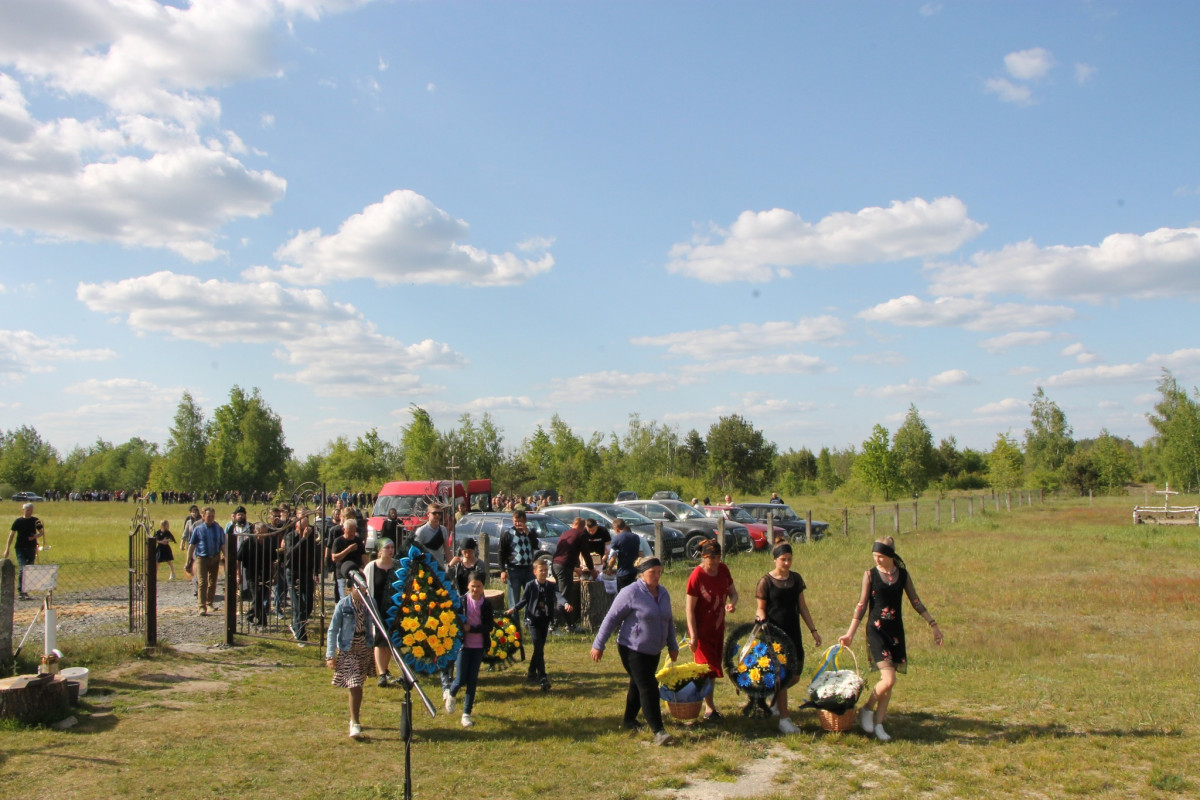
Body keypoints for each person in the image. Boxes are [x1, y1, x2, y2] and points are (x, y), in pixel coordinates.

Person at [838, 537, 943, 742]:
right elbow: (861, 605)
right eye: (875, 556)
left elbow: (916, 601)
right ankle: (866, 710)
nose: (877, 560)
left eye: (881, 556)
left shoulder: (902, 575)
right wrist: (850, 634)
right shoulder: (870, 575)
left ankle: (879, 724)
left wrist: (933, 625)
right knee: (889, 679)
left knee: (888, 684)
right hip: (875, 631)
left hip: (895, 632)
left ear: (890, 557)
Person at [590, 557, 679, 746]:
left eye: (659, 572)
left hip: (654, 649)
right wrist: (599, 644)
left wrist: (673, 645)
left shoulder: (663, 593)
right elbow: (611, 618)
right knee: (648, 686)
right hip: (632, 648)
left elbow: (668, 620)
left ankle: (629, 720)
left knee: (637, 685)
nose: (657, 576)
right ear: (642, 573)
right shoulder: (630, 592)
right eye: (652, 572)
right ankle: (659, 731)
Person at [755, 542, 821, 735]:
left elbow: (803, 607)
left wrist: (813, 630)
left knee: (795, 675)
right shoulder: (766, 581)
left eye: (789, 559)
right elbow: (761, 606)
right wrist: (760, 616)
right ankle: (784, 720)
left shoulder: (796, 579)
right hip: (774, 635)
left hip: (793, 632)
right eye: (783, 559)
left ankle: (773, 699)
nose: (787, 563)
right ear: (775, 559)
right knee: (781, 677)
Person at [685, 539, 738, 721]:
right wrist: (693, 635)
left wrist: (732, 604)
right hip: (701, 632)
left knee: (712, 671)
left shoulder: (723, 570)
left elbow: (733, 592)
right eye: (711, 558)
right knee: (705, 669)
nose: (715, 561)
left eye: (717, 557)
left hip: (717, 627)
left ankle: (707, 706)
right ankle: (705, 707)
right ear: (703, 556)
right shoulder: (696, 576)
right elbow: (689, 609)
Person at [325, 570, 376, 739]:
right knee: (354, 685)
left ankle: (355, 716)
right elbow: (333, 630)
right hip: (348, 649)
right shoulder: (343, 605)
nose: (362, 591)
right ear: (350, 589)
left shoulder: (370, 603)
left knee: (359, 685)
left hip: (365, 647)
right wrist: (330, 655)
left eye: (364, 587)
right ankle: (355, 723)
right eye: (358, 588)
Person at [444, 575, 494, 728]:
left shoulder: (486, 604)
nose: (475, 589)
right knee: (460, 679)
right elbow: (454, 621)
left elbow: (488, 626)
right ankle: (451, 693)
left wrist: (472, 629)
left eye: (478, 586)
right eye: (473, 586)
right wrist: (462, 629)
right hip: (462, 646)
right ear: (468, 586)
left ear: (483, 587)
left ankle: (466, 714)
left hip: (478, 646)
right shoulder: (461, 601)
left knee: (472, 681)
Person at [506, 557, 563, 690]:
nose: (543, 573)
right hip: (532, 620)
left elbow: (558, 595)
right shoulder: (530, 585)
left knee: (539, 648)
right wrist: (514, 608)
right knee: (538, 647)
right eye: (541, 570)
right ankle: (542, 677)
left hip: (545, 620)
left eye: (545, 570)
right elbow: (524, 600)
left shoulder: (550, 585)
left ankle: (531, 672)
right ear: (535, 572)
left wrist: (565, 603)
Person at [363, 538, 399, 686]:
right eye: (387, 548)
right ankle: (382, 673)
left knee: (388, 641)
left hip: (392, 609)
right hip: (376, 609)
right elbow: (365, 589)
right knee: (379, 641)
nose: (390, 550)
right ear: (379, 551)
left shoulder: (397, 566)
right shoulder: (371, 567)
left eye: (392, 547)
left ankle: (385, 669)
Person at [551, 517, 595, 630]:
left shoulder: (565, 533)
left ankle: (570, 624)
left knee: (567, 596)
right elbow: (586, 554)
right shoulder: (580, 535)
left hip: (555, 564)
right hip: (564, 567)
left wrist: (574, 568)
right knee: (563, 596)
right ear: (582, 527)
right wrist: (592, 570)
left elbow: (566, 552)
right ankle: (553, 625)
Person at [283, 512, 320, 644]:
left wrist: (316, 572)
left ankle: (296, 625)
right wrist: (303, 539)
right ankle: (301, 636)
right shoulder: (289, 537)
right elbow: (289, 556)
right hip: (293, 573)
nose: (306, 530)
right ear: (296, 528)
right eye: (303, 528)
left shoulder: (311, 537)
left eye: (307, 528)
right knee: (298, 605)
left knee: (308, 605)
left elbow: (314, 554)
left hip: (306, 572)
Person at [187, 507, 226, 616]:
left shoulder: (219, 529)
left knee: (213, 582)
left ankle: (209, 603)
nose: (211, 518)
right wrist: (188, 560)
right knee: (202, 582)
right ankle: (201, 606)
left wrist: (226, 557)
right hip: (202, 558)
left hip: (215, 558)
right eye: (208, 516)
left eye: (212, 516)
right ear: (203, 516)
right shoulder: (198, 529)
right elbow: (192, 545)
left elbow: (223, 545)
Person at [3, 503, 45, 601]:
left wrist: (35, 537)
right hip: (20, 548)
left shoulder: (35, 520)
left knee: (29, 569)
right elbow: (11, 535)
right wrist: (7, 549)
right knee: (23, 568)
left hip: (31, 547)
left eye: (31, 510)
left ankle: (26, 591)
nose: (30, 512)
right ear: (23, 510)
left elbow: (42, 532)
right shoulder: (18, 521)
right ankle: (20, 591)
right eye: (28, 510)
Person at [498, 509, 539, 609]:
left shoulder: (530, 532)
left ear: (525, 520)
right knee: (514, 600)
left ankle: (529, 621)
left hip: (529, 569)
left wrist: (528, 533)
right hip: (514, 570)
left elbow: (536, 545)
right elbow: (501, 552)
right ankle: (514, 623)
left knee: (530, 597)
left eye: (519, 521)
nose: (517, 524)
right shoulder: (508, 533)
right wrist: (502, 570)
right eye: (515, 521)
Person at [239, 523, 275, 627]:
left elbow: (272, 560)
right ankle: (262, 621)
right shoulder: (247, 543)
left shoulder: (269, 542)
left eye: (265, 532)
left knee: (260, 598)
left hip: (266, 574)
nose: (264, 535)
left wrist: (274, 574)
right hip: (252, 574)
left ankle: (250, 615)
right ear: (255, 531)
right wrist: (238, 574)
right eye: (261, 532)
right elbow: (239, 559)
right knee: (257, 597)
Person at [331, 518, 368, 600]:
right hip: (342, 574)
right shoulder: (338, 541)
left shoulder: (358, 541)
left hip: (355, 573)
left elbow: (364, 557)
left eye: (354, 531)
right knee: (344, 598)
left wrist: (366, 570)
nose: (352, 533)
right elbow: (334, 558)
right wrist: (348, 550)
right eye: (350, 531)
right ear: (344, 529)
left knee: (356, 597)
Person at [607, 518, 642, 591]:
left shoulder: (616, 539)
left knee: (623, 596)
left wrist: (609, 568)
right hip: (635, 571)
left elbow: (613, 558)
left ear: (616, 529)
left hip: (623, 573)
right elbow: (639, 554)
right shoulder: (636, 537)